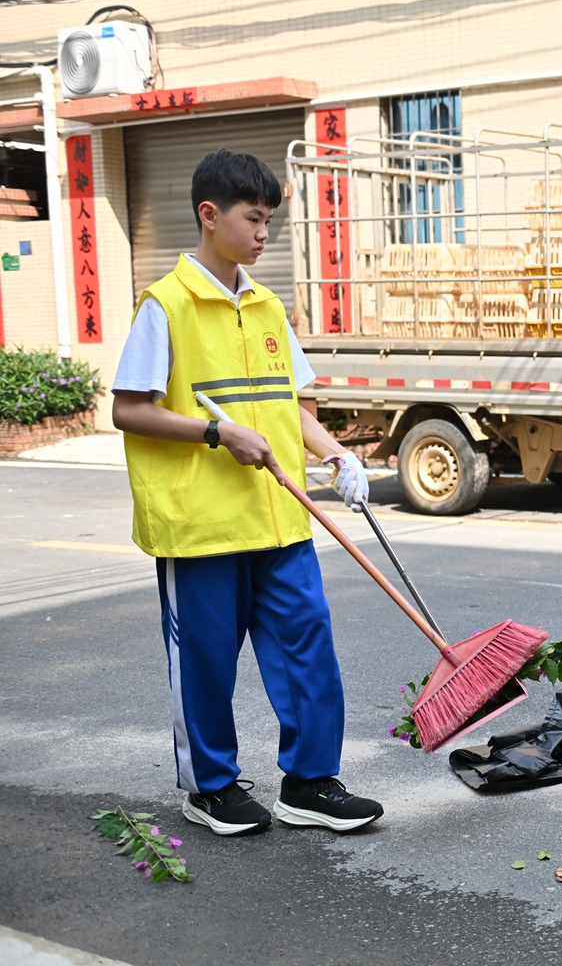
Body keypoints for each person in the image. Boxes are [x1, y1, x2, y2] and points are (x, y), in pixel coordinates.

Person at [112, 149, 383, 836]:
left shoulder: (266, 307)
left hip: (280, 517)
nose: (265, 234)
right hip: (199, 523)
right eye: (253, 219)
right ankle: (210, 787)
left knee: (308, 647)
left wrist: (338, 455)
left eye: (270, 222)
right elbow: (129, 408)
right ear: (210, 215)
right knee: (204, 660)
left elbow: (291, 404)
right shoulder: (165, 306)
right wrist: (215, 434)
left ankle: (311, 782)